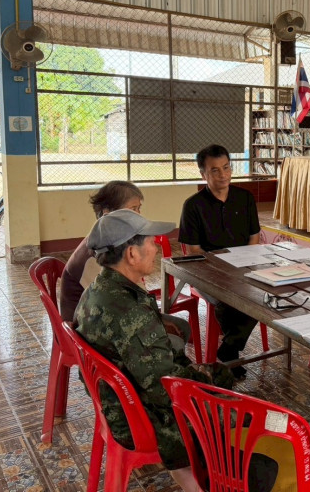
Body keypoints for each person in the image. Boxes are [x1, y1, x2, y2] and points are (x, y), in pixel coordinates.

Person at [74, 210, 237, 492]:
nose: (157, 248)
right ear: (132, 254)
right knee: (241, 410)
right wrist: (204, 378)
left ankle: (196, 471)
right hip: (136, 416)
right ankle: (223, 474)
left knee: (216, 375)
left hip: (116, 403)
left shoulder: (97, 290)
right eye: (151, 242)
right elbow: (164, 390)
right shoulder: (129, 312)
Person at [179, 144, 260, 378]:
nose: (223, 174)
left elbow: (254, 236)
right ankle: (231, 354)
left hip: (243, 268)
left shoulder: (245, 198)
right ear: (203, 174)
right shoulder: (193, 205)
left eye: (226, 167)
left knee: (262, 297)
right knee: (228, 301)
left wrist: (243, 263)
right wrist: (221, 269)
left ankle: (229, 348)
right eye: (214, 170)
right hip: (208, 272)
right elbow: (193, 251)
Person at [59, 180, 144, 322]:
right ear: (107, 214)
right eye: (133, 209)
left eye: (139, 208)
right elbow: (114, 303)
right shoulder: (94, 256)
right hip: (85, 328)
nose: (139, 216)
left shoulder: (111, 243)